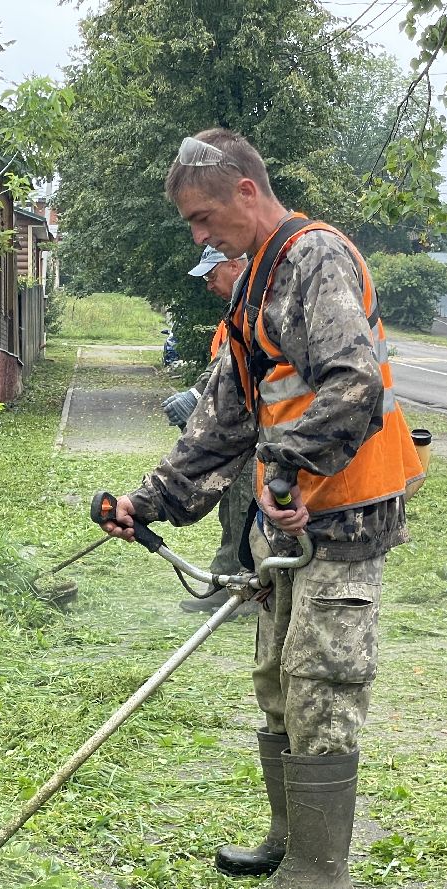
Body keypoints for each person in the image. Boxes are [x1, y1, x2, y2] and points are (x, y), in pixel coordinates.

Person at [98, 128, 423, 889]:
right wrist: (148, 501)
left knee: (323, 680)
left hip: (343, 513)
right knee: (278, 679)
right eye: (192, 226)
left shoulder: (316, 260)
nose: (202, 237)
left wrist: (286, 466)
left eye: (205, 219)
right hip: (293, 515)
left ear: (248, 190)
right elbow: (223, 423)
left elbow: (354, 386)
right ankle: (288, 838)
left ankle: (322, 873)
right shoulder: (251, 295)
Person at [160, 246, 255, 614]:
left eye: (211, 275)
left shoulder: (259, 302)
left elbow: (240, 368)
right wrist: (197, 394)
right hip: (239, 430)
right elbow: (225, 362)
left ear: (234, 265)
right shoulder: (238, 308)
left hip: (257, 432)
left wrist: (198, 396)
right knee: (233, 504)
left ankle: (246, 589)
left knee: (247, 507)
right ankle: (228, 581)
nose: (208, 284)